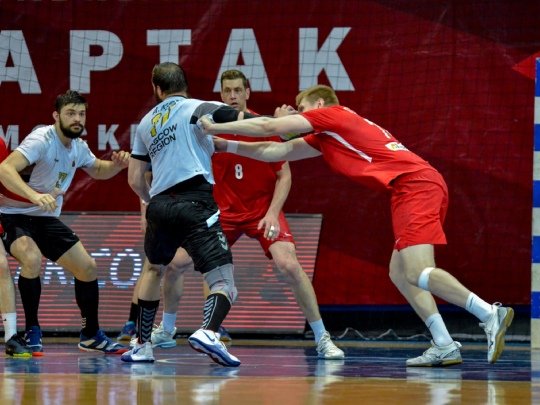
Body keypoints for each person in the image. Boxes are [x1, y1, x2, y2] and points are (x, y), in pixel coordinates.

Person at [200, 84, 514, 366]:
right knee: (400, 273)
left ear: (319, 104)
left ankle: (489, 313)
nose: (300, 114)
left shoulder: (333, 114)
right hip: (411, 188)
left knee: (418, 270)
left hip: (414, 186)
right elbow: (277, 149)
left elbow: (270, 127)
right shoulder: (326, 136)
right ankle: (444, 344)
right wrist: (225, 144)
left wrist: (214, 125)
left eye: (303, 108)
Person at [149, 69, 343, 359]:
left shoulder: (263, 125)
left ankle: (322, 337)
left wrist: (273, 213)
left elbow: (285, 176)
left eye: (238, 90)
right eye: (227, 91)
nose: (232, 95)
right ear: (220, 94)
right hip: (221, 214)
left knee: (289, 265)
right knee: (175, 264)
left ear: (247, 92)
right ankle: (169, 330)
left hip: (262, 211)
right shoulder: (209, 126)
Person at [123, 62, 261, 366]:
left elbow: (134, 179)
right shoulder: (198, 107)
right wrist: (284, 123)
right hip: (196, 201)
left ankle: (142, 346)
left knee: (153, 270)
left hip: (159, 204)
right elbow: (245, 118)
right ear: (184, 85)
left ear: (158, 89)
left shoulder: (146, 122)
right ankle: (209, 332)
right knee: (224, 280)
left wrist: (153, 201)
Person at [0, 90, 130, 355]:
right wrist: (35, 196)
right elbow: (4, 169)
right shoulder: (42, 139)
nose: (77, 119)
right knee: (31, 258)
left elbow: (98, 169)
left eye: (81, 114)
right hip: (13, 214)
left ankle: (90, 335)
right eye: (71, 113)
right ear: (56, 116)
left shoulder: (78, 147)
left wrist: (116, 166)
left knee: (87, 267)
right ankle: (32, 329)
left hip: (45, 218)